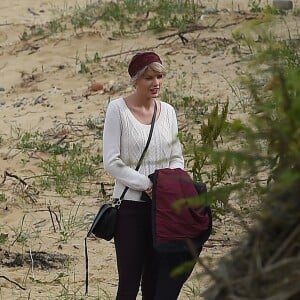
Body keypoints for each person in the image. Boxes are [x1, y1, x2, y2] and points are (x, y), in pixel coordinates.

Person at [102, 51, 201, 300]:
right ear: (136, 80)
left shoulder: (168, 111)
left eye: (159, 77)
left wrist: (169, 186)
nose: (156, 83)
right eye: (149, 78)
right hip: (130, 209)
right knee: (128, 284)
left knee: (155, 284)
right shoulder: (118, 110)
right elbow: (112, 162)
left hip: (163, 209)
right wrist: (147, 185)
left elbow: (176, 157)